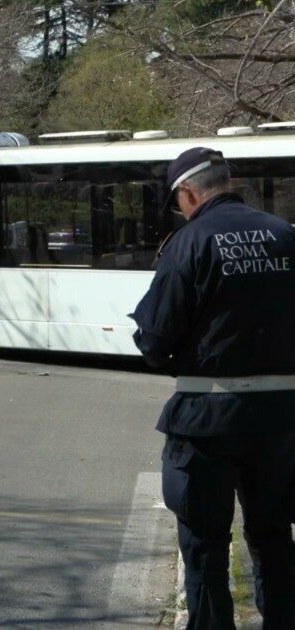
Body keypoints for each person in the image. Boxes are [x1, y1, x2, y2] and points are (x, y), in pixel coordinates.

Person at [131, 147, 295, 628]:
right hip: (283, 420)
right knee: (274, 538)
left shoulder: (188, 243)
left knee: (204, 548)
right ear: (231, 180)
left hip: (207, 420)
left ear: (187, 192)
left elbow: (155, 339)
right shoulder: (287, 236)